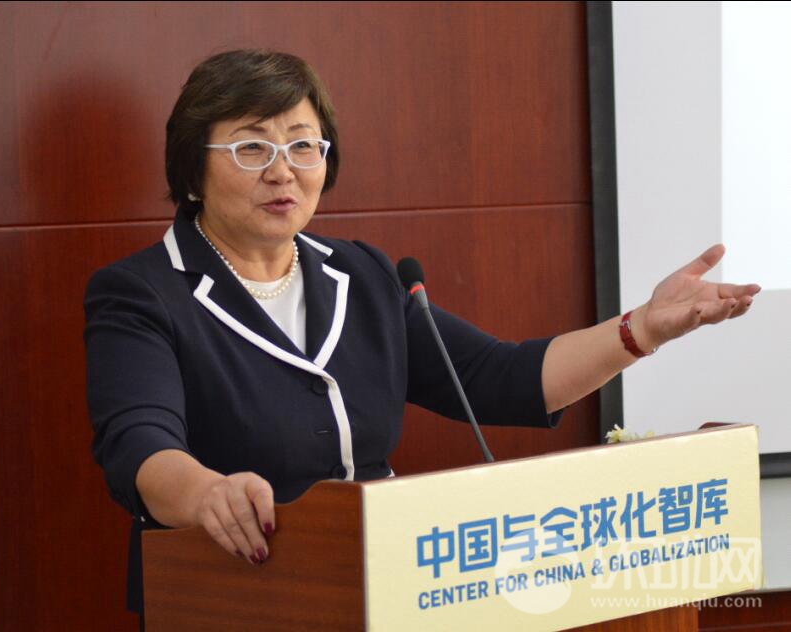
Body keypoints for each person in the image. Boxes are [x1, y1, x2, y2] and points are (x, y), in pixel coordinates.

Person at [82, 49, 760, 617]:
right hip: (232, 598)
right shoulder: (142, 292)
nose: (283, 169)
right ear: (192, 170)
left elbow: (501, 379)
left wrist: (642, 329)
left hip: (383, 593)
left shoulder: (362, 274)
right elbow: (139, 443)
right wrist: (207, 494)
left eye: (303, 144)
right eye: (251, 146)